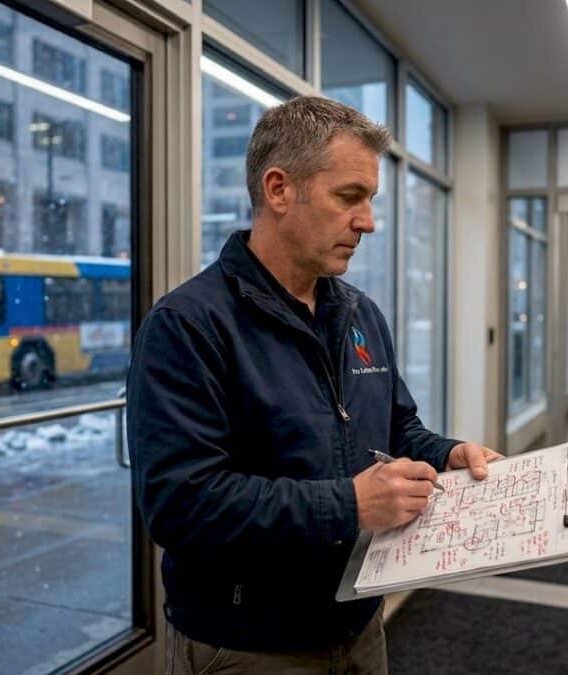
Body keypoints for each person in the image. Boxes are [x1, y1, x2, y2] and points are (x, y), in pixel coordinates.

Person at [126, 96, 501, 674]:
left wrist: (448, 453)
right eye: (349, 197)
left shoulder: (359, 314)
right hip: (249, 647)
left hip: (358, 626)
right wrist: (349, 503)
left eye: (371, 200)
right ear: (279, 190)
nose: (368, 221)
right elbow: (181, 504)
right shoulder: (188, 326)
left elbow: (396, 427)